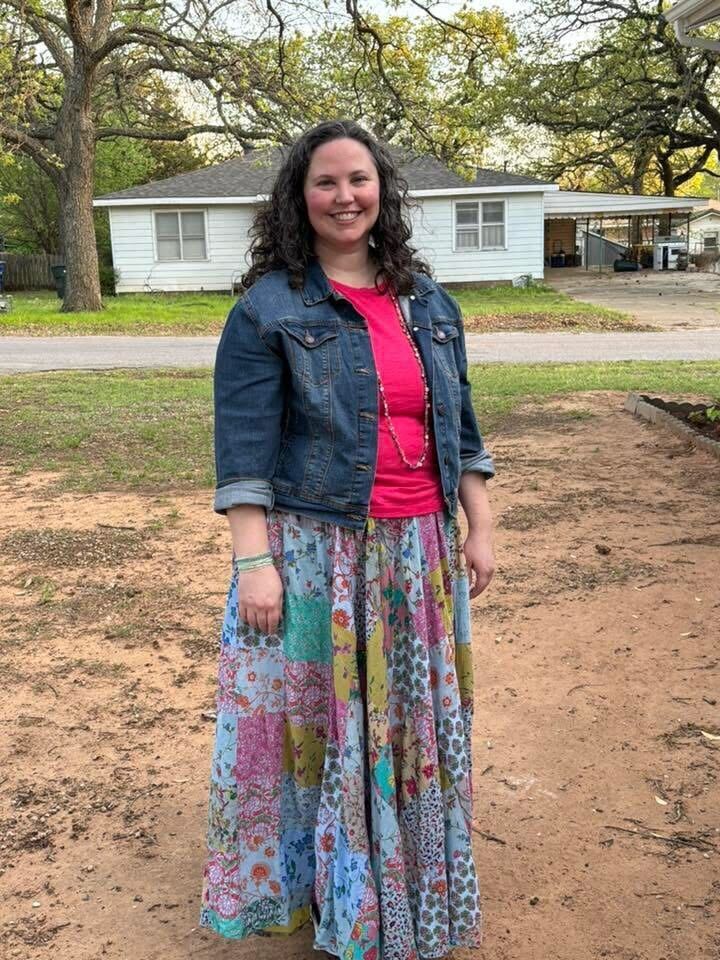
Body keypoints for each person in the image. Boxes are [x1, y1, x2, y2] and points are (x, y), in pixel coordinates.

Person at [200, 119, 496, 960]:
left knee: (409, 727)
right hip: (317, 555)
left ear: (382, 190)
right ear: (301, 198)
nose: (344, 197)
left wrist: (481, 526)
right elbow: (244, 455)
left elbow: (462, 430)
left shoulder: (429, 302)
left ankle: (404, 887)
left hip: (418, 554)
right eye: (325, 183)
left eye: (358, 180)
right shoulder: (267, 309)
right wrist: (253, 563)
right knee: (322, 731)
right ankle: (334, 897)